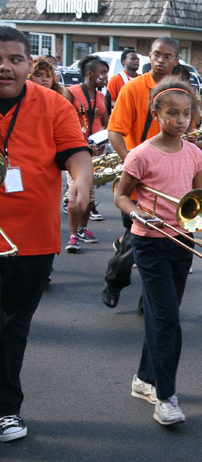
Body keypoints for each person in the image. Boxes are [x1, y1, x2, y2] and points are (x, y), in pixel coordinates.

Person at [114, 76, 202, 426]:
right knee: (167, 321)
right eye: (172, 114)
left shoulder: (194, 153)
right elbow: (120, 195)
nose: (181, 121)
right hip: (148, 242)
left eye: (186, 114)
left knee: (162, 316)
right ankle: (166, 397)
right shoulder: (141, 154)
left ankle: (144, 379)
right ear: (156, 113)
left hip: (183, 242)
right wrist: (136, 212)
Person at [0, 26, 91, 441]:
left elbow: (75, 153)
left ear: (28, 65)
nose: (5, 67)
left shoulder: (54, 104)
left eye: (15, 59)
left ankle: (6, 410)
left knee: (14, 326)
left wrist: (81, 183)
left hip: (32, 241)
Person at [102, 37, 180, 309]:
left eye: (167, 56)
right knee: (136, 241)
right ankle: (114, 281)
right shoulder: (133, 88)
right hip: (135, 184)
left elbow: (186, 132)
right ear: (150, 55)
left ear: (176, 61)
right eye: (157, 54)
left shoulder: (180, 92)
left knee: (162, 246)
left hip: (169, 185)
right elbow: (115, 131)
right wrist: (132, 164)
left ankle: (148, 300)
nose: (161, 60)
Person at [62, 55, 109, 252]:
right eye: (102, 73)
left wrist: (103, 140)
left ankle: (82, 228)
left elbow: (106, 123)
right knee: (75, 193)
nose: (106, 77)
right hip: (75, 151)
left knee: (90, 194)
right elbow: (61, 121)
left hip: (96, 151)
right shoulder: (70, 93)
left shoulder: (100, 97)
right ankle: (72, 236)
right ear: (90, 73)